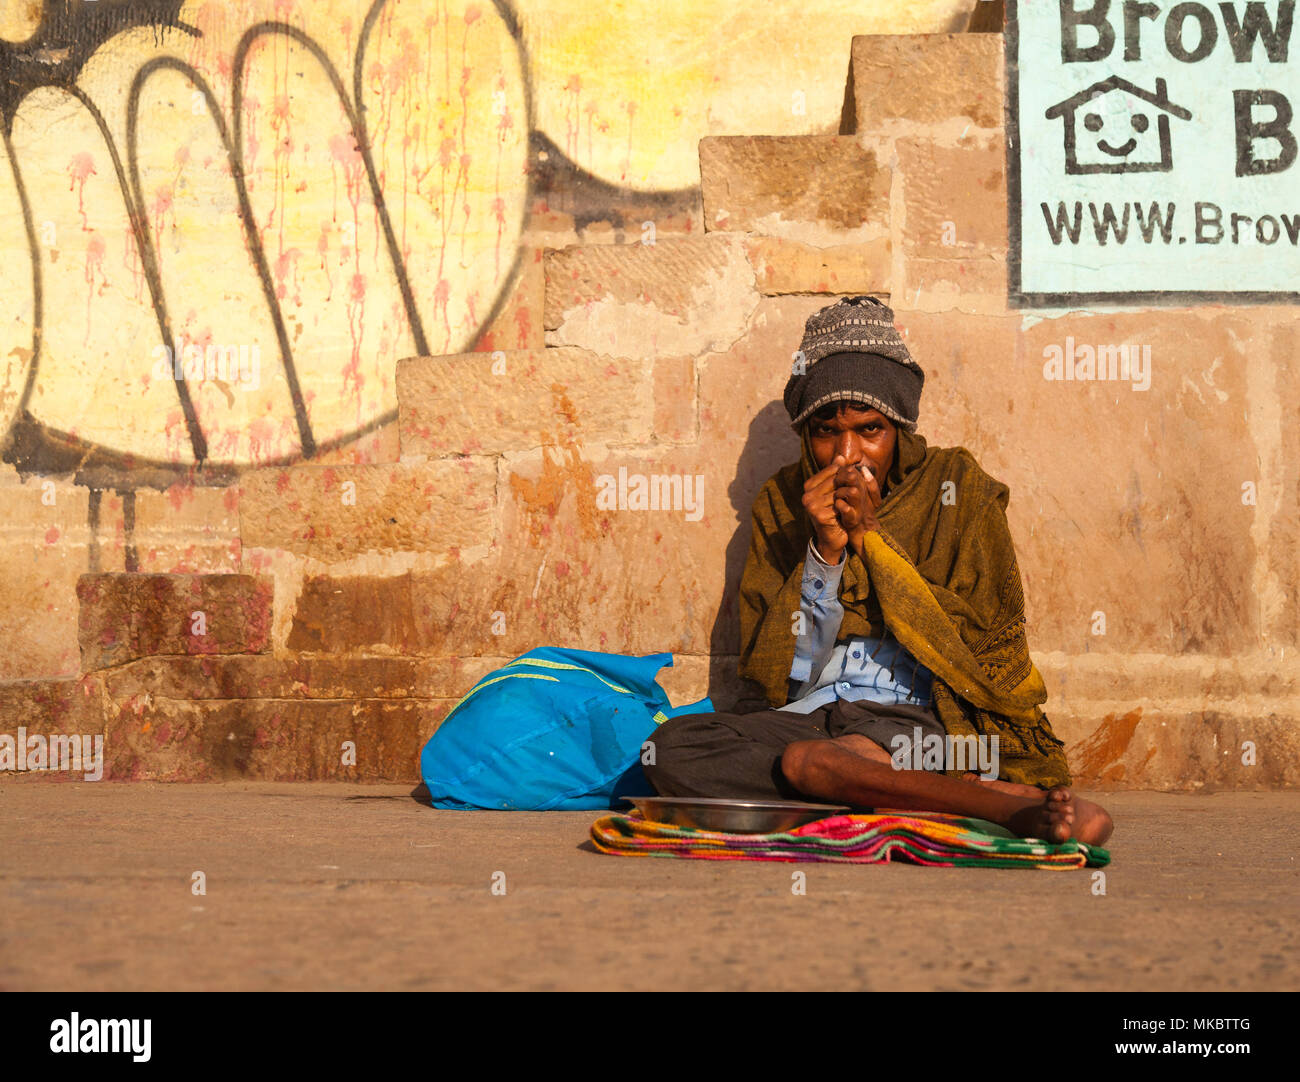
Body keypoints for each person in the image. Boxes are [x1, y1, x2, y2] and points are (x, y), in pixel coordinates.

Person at [644, 297, 1113, 845]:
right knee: (673, 751)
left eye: (870, 430)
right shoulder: (782, 502)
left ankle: (876, 782)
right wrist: (824, 553)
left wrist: (871, 541)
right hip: (812, 713)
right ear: (805, 435)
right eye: (825, 432)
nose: (846, 457)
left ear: (900, 428)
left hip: (926, 720)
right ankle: (966, 800)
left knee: (812, 762)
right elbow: (776, 678)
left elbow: (981, 651)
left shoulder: (957, 489)